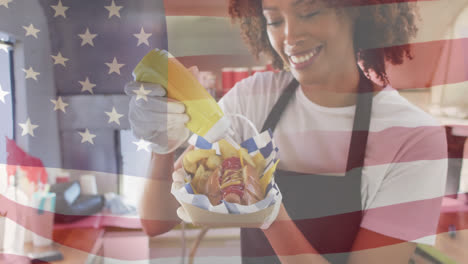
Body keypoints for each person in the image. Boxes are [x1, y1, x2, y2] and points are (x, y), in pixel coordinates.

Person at [125, 0, 448, 263]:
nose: (289, 36)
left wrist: (269, 215)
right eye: (274, 20)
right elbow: (157, 221)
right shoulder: (253, 100)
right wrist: (162, 144)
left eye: (309, 11)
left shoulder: (413, 137)